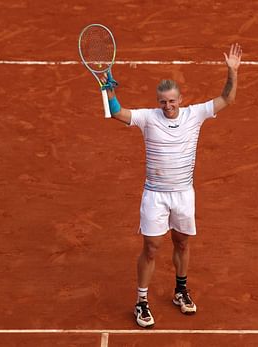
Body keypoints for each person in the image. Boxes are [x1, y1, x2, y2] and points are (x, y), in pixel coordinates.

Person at [101, 43, 242, 328]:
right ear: (158, 102)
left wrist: (232, 72)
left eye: (172, 101)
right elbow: (117, 112)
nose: (168, 106)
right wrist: (108, 89)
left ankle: (180, 290)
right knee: (151, 248)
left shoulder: (196, 115)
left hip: (183, 194)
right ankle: (141, 301)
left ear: (181, 99)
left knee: (182, 242)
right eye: (163, 101)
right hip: (155, 195)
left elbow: (227, 98)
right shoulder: (147, 118)